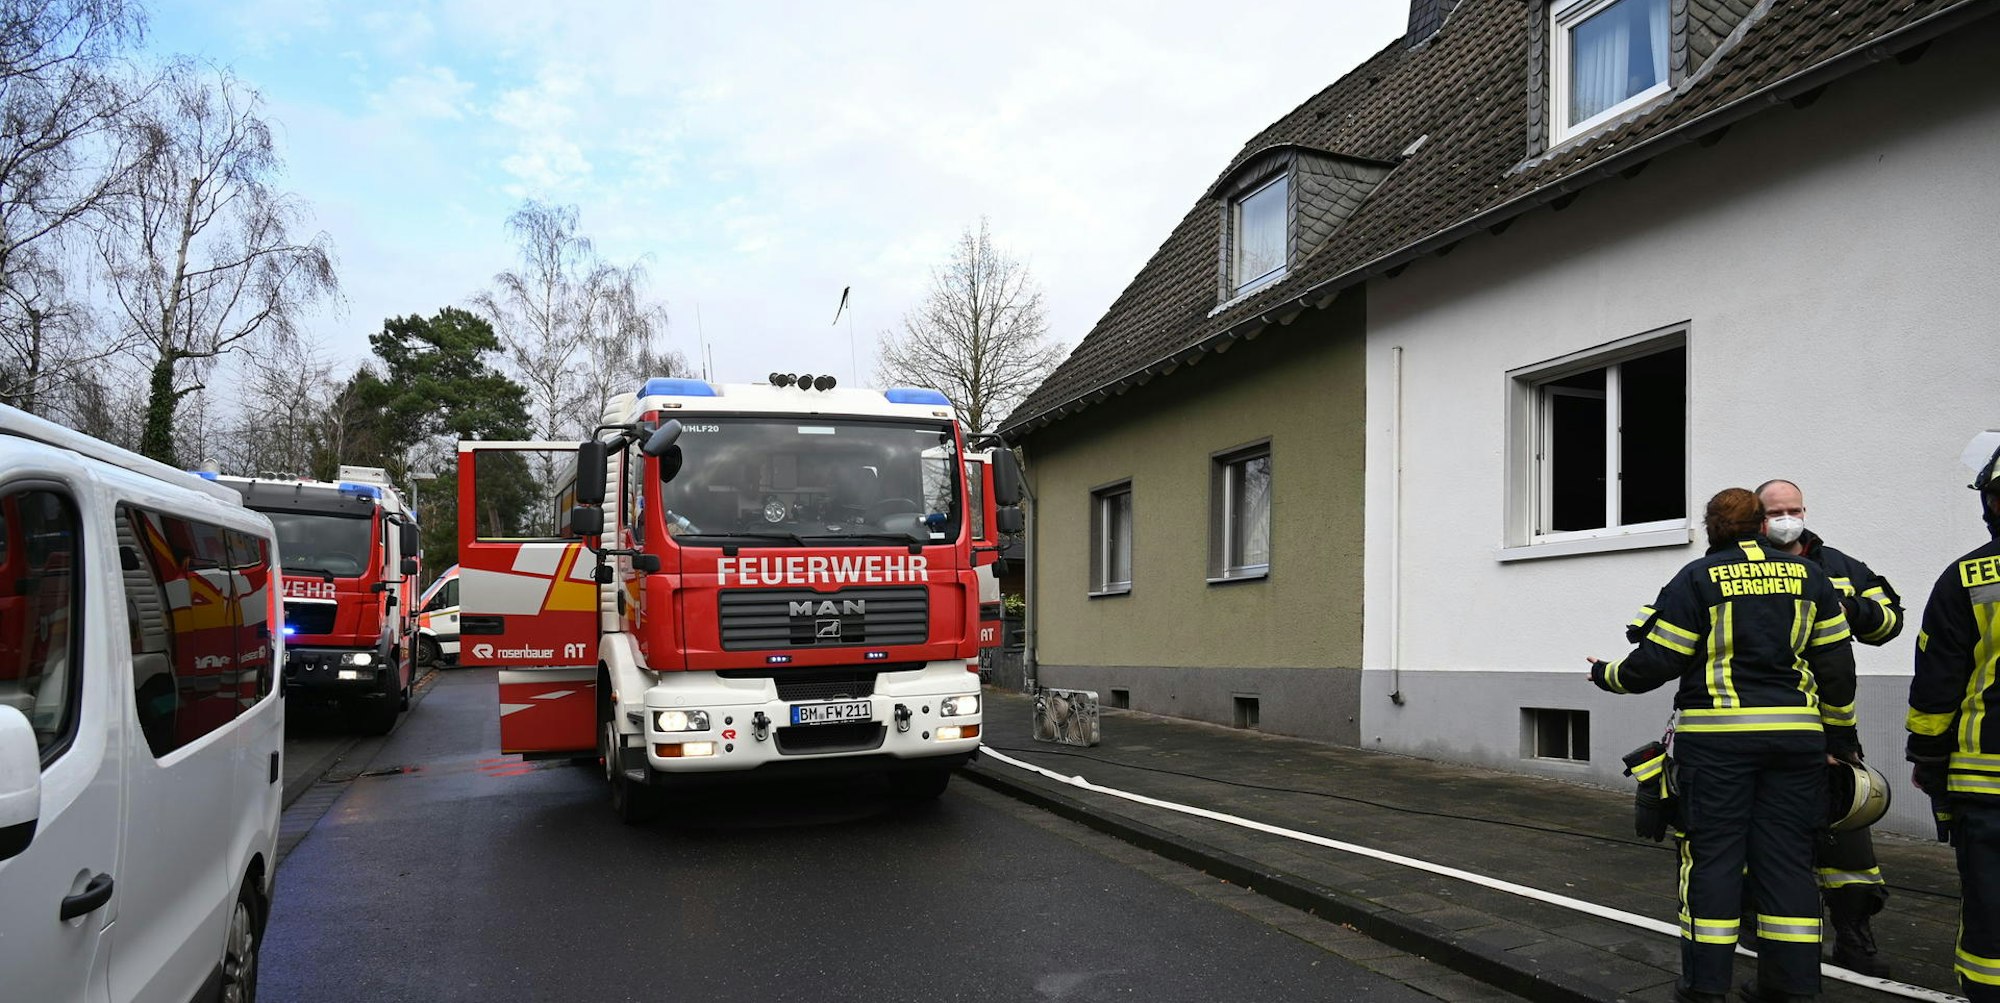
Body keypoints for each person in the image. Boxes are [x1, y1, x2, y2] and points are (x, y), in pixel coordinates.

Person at [1590, 487, 1856, 1003]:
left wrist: (1606, 676)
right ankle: (1793, 989)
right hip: (1796, 743)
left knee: (1712, 860)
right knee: (1788, 862)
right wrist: (1840, 739)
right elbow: (1837, 667)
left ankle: (1705, 989)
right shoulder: (1812, 578)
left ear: (1711, 529)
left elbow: (1659, 660)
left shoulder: (1697, 578)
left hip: (1718, 746)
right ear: (1761, 525)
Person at [1757, 478, 1904, 976]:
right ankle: (1774, 931)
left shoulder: (1837, 565)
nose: (1786, 518)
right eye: (1776, 510)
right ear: (1757, 516)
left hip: (1833, 720)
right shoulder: (1741, 566)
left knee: (1846, 827)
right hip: (1768, 721)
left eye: (1794, 509)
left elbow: (1890, 621)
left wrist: (1852, 609)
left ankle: (1854, 931)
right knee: (1774, 830)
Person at [1907, 434, 2000, 1002]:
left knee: (1990, 900)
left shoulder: (1966, 577)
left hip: (1986, 778)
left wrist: (1927, 756)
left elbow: (1938, 681)